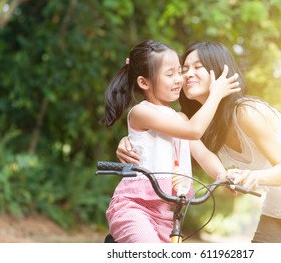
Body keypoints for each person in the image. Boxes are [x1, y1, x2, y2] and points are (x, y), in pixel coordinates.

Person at [117, 42, 281, 243]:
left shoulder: (246, 112)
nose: (186, 75)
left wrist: (249, 177)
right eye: (183, 68)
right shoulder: (200, 121)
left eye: (197, 67)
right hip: (280, 203)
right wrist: (131, 141)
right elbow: (170, 132)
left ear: (219, 73)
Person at [101, 39, 240, 243]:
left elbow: (202, 154)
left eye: (179, 72)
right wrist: (216, 94)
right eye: (169, 74)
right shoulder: (142, 112)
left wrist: (223, 175)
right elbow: (193, 131)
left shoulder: (180, 118)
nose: (179, 79)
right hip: (136, 208)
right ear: (144, 82)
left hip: (169, 214)